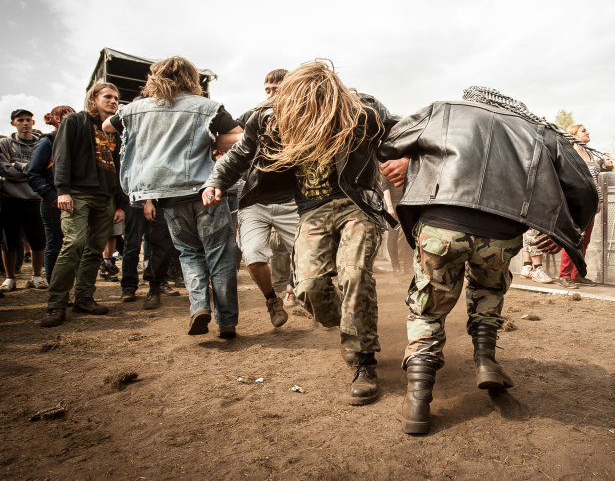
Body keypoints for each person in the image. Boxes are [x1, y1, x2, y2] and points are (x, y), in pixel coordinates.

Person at [378, 86, 597, 434]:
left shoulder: (443, 109)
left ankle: (418, 401)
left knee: (428, 309)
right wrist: (569, 233)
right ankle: (487, 362)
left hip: (442, 227)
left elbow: (389, 143)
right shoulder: (537, 128)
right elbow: (585, 186)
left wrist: (414, 159)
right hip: (502, 232)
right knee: (489, 292)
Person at [222, 61, 400, 405]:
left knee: (354, 274)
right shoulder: (273, 118)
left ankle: (364, 361)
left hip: (356, 205)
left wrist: (404, 158)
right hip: (311, 210)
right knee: (308, 288)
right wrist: (215, 182)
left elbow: (403, 135)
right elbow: (240, 153)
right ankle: (349, 325)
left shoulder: (363, 112)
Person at [104, 56, 243, 337]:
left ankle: (199, 307)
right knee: (220, 253)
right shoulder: (206, 107)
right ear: (191, 78)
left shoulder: (135, 109)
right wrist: (209, 142)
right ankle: (226, 321)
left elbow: (108, 125)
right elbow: (239, 136)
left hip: (166, 194)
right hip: (206, 190)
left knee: (189, 253)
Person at [202, 67, 298, 329]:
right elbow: (230, 150)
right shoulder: (254, 117)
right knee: (253, 258)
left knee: (306, 258)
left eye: (277, 89)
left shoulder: (306, 117)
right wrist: (216, 181)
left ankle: (303, 291)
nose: (271, 94)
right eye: (268, 89)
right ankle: (272, 301)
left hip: (295, 202)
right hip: (255, 199)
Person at [40, 84, 128, 327]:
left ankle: (84, 298)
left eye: (116, 98)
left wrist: (120, 203)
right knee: (74, 243)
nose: (113, 101)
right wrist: (63, 191)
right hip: (77, 193)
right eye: (108, 96)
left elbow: (121, 168)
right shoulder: (75, 121)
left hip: (107, 196)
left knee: (95, 249)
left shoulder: (115, 130)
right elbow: (62, 156)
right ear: (94, 98)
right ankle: (56, 304)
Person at [556, 123, 614, 288]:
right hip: (577, 202)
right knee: (573, 239)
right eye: (583, 131)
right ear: (574, 135)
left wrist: (599, 200)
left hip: (592, 202)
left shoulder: (588, 152)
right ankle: (564, 275)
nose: (587, 132)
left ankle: (577, 274)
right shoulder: (570, 154)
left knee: (585, 240)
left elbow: (594, 180)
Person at [0, 109, 47, 292]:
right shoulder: (4, 144)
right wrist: (33, 172)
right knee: (9, 240)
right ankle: (10, 278)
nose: (25, 123)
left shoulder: (41, 143)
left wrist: (18, 166)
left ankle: (36, 276)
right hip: (9, 198)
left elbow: (44, 169)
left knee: (38, 240)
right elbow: (4, 170)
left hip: (35, 199)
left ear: (33, 123)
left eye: (28, 120)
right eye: (20, 120)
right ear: (13, 123)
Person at [27, 106, 74, 282]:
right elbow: (33, 174)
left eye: (72, 117)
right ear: (54, 120)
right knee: (55, 243)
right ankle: (55, 286)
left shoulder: (78, 141)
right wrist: (52, 196)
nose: (68, 120)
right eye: (64, 117)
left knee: (77, 245)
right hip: (53, 202)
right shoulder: (47, 141)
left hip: (76, 201)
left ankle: (73, 286)